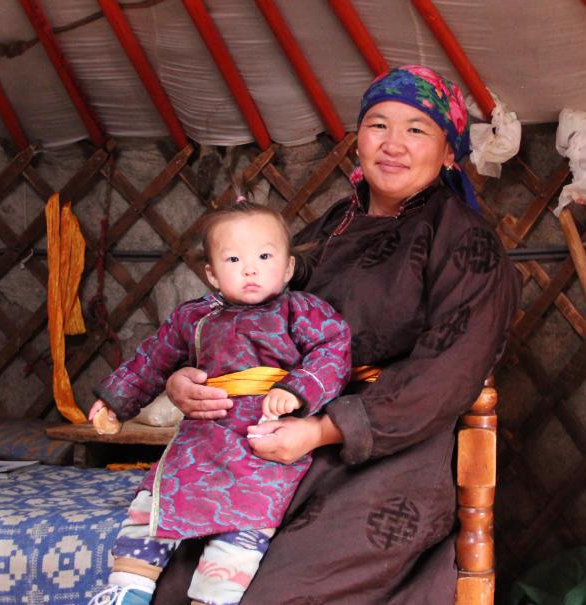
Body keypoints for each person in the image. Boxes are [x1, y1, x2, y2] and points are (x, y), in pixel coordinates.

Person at [153, 65, 521, 604]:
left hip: (388, 457)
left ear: (448, 151)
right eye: (378, 125)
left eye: (417, 130)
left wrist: (324, 430)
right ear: (358, 139)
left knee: (269, 595)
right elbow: (244, 304)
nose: (393, 144)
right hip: (278, 440)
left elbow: (446, 376)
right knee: (179, 587)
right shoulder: (332, 226)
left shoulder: (467, 244)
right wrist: (186, 375)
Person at [87, 203, 352, 605]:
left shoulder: (300, 311)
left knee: (246, 522)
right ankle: (126, 589)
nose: (250, 269)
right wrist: (114, 401)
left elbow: (333, 349)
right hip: (202, 437)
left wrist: (298, 391)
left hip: (263, 436)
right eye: (233, 259)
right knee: (153, 503)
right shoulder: (194, 316)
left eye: (264, 256)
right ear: (211, 273)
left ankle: (214, 599)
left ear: (286, 268)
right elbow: (153, 358)